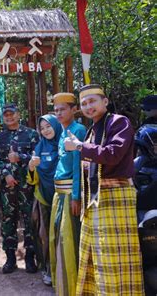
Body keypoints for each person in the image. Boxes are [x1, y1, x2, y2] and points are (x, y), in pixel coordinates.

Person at [64, 84, 144, 295]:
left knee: (115, 258)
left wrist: (80, 147)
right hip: (95, 200)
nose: (88, 106)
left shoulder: (119, 122)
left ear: (105, 102)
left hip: (116, 196)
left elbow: (113, 154)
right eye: (84, 103)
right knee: (96, 255)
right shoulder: (91, 130)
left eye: (93, 101)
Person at [0, 103, 39, 274]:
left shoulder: (31, 134)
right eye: (6, 115)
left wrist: (20, 157)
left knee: (29, 219)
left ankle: (30, 257)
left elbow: (37, 155)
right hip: (8, 185)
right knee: (8, 220)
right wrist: (6, 174)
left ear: (19, 114)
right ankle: (10, 257)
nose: (9, 117)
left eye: (12, 114)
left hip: (27, 184)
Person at [48, 93, 86, 295]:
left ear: (74, 109)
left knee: (69, 240)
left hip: (69, 192)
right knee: (59, 238)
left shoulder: (78, 129)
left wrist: (76, 196)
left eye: (63, 109)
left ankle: (73, 288)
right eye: (56, 110)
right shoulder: (63, 131)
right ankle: (62, 284)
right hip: (59, 193)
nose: (59, 113)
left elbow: (78, 165)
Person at [26, 114, 62, 287]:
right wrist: (31, 167)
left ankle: (62, 270)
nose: (46, 130)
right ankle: (48, 269)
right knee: (45, 235)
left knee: (62, 235)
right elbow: (31, 179)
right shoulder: (40, 146)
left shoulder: (64, 143)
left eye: (49, 126)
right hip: (43, 197)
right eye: (42, 128)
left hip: (63, 196)